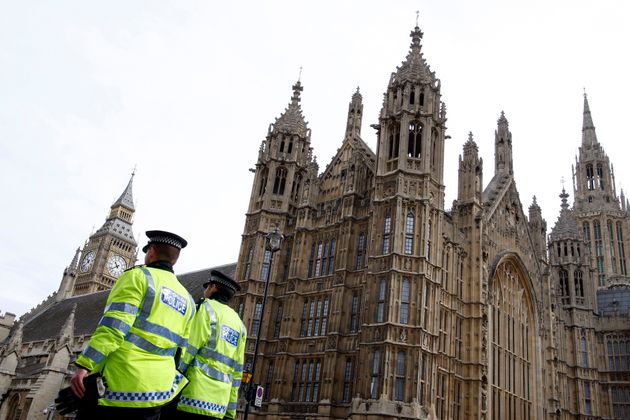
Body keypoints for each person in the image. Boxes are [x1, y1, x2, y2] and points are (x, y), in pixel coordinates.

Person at [71, 230, 196, 420]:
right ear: (175, 261)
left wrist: (84, 365)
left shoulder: (138, 277)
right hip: (156, 393)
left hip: (118, 387)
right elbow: (182, 350)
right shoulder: (188, 300)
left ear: (151, 252)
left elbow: (114, 326)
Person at [173, 269, 247, 419]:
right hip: (219, 406)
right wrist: (230, 412)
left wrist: (170, 388)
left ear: (213, 287)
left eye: (206, 287)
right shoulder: (239, 325)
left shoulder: (205, 309)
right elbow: (237, 373)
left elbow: (187, 353)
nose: (205, 291)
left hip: (192, 399)